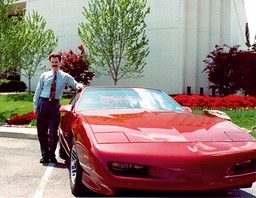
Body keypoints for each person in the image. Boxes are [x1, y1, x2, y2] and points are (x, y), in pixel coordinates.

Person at [33, 53, 84, 163]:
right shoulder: (44, 75)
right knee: (41, 131)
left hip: (54, 105)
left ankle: (52, 155)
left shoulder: (65, 76)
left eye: (56, 62)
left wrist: (79, 86)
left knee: (53, 132)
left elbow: (74, 84)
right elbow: (38, 91)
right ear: (50, 63)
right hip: (43, 102)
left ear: (60, 62)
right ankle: (45, 155)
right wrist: (36, 106)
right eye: (53, 62)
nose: (54, 64)